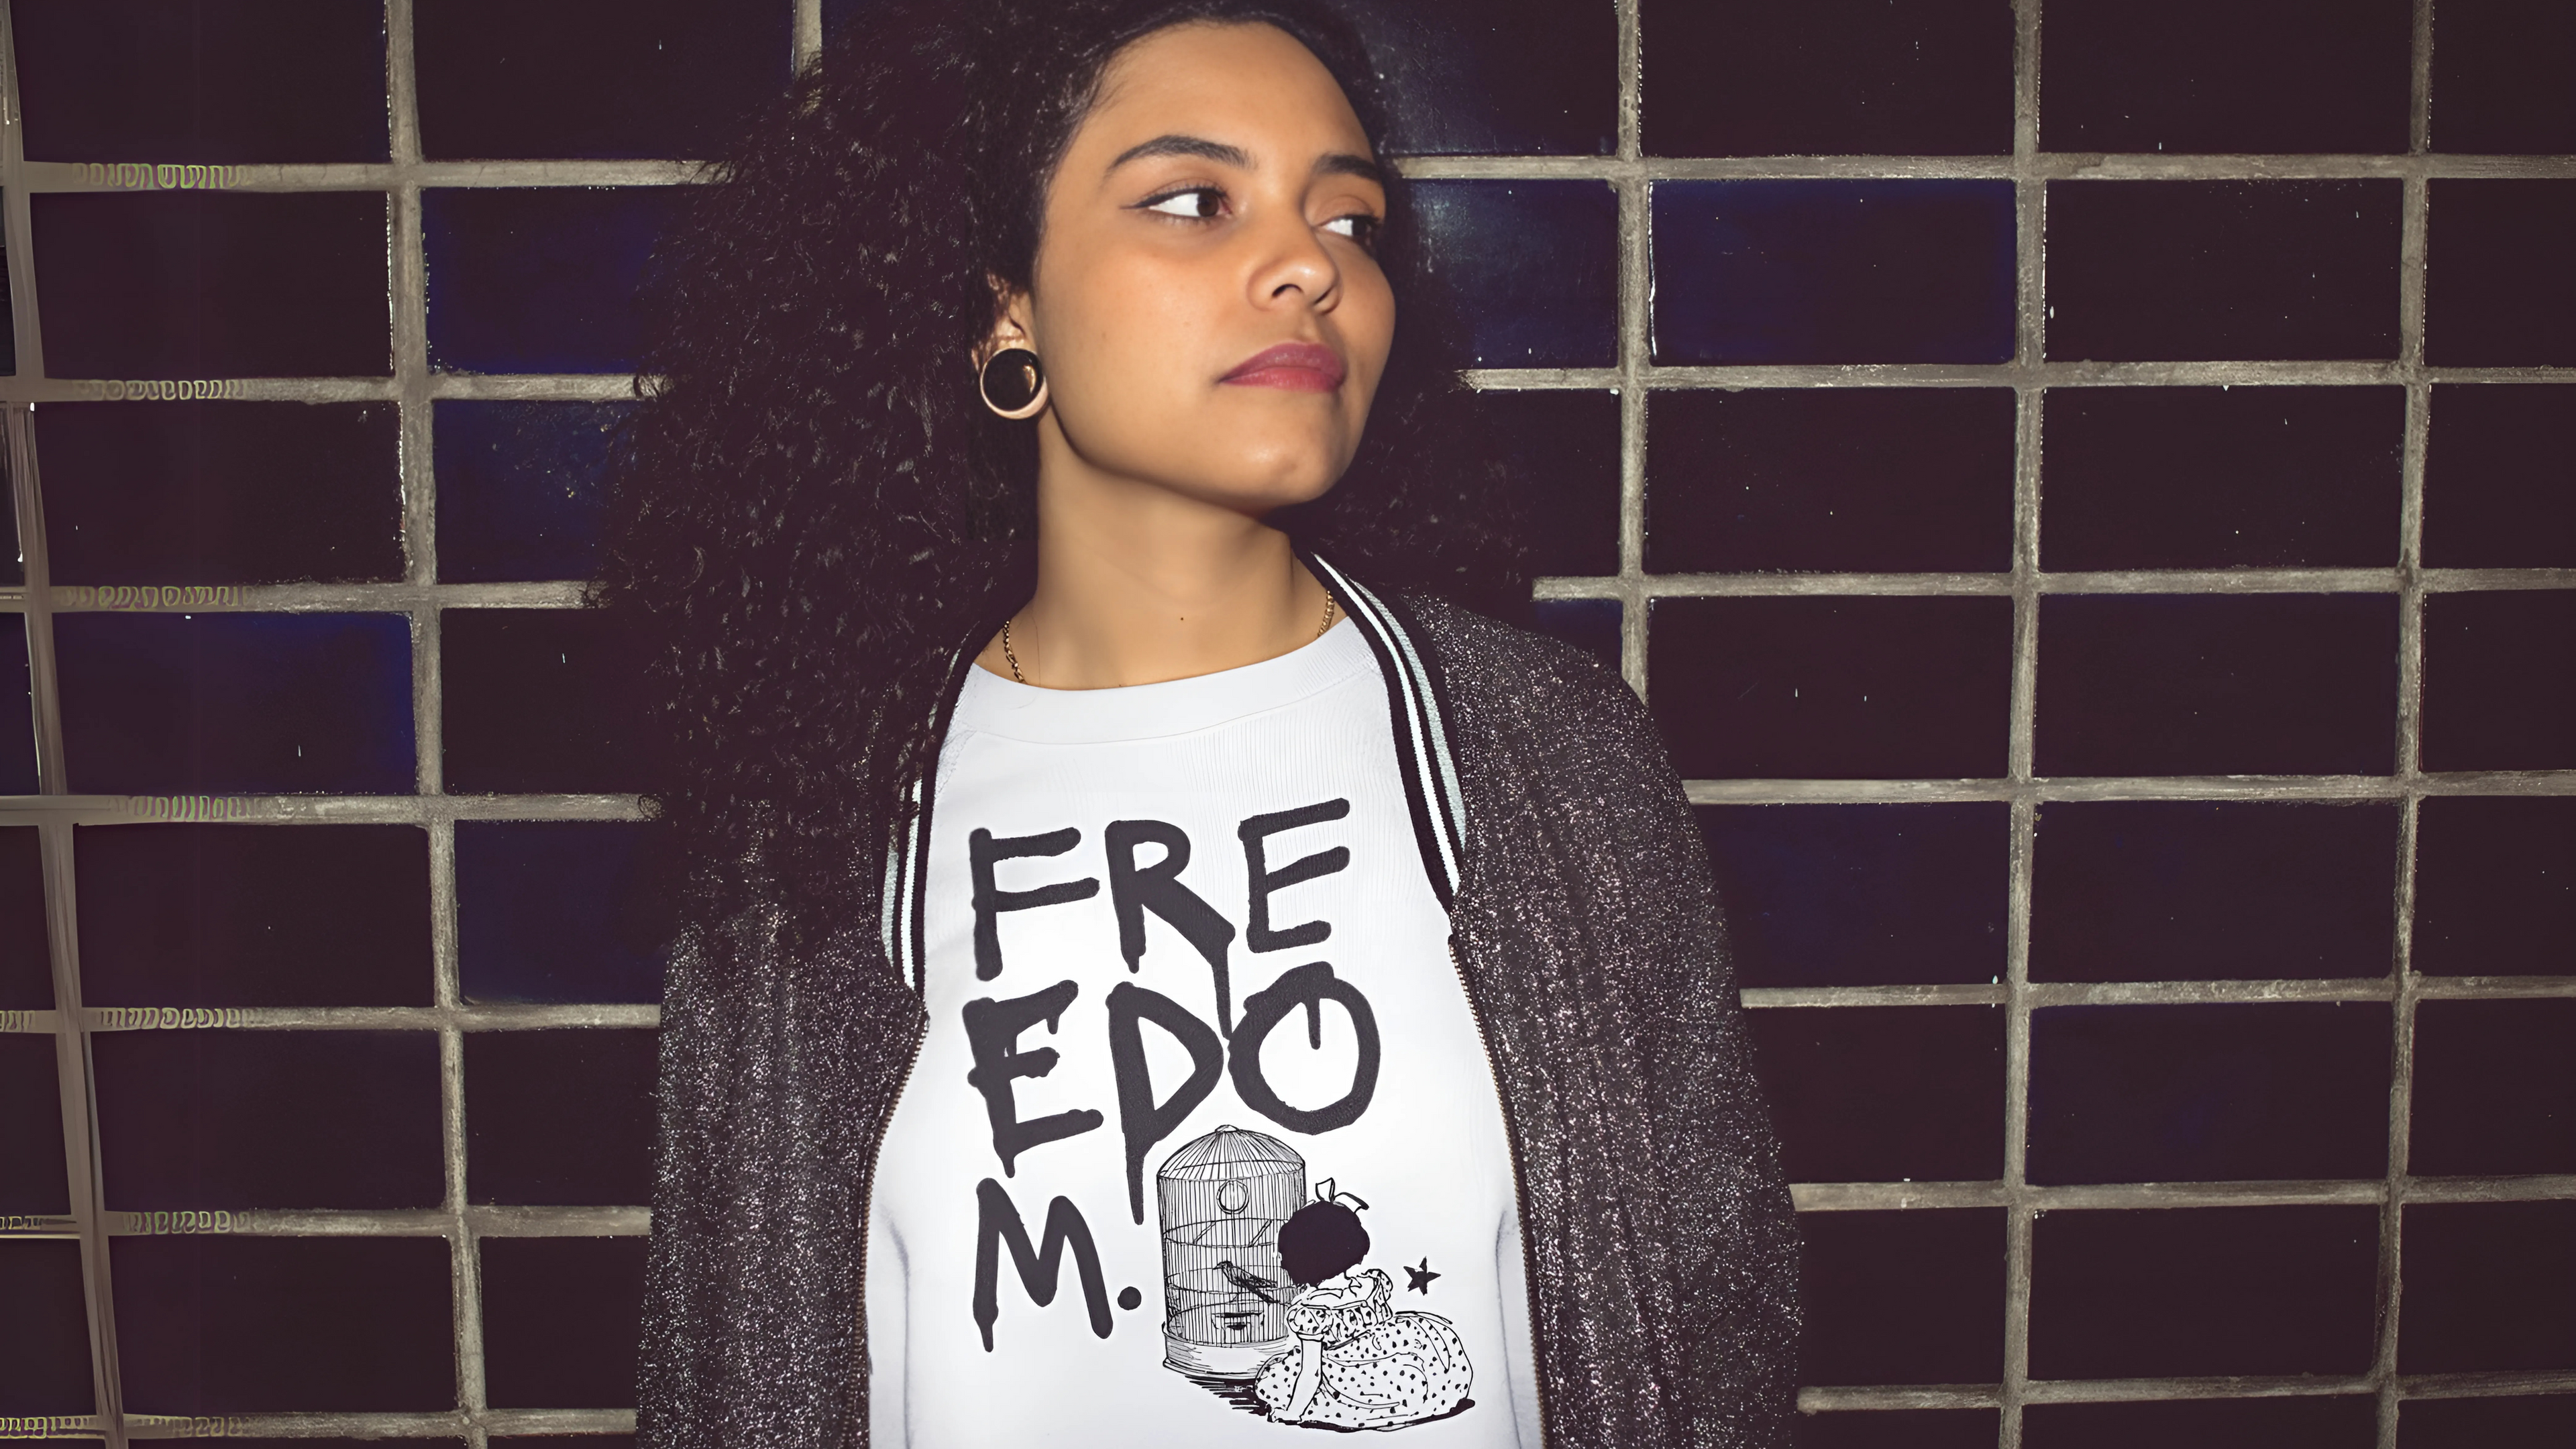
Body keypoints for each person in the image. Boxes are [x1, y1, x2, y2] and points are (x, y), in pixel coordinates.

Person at [603, 1, 1799, 1444]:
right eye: (1192, 201)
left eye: (1349, 221)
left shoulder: (1554, 761)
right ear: (1009, 307)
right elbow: (724, 1375)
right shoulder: (816, 829)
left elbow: (1717, 1338)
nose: (1309, 265)